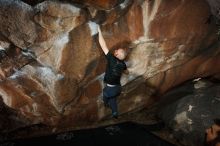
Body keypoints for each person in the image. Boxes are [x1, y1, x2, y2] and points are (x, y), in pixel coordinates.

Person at [97, 26, 128, 119]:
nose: (115, 50)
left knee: (106, 95)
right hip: (118, 88)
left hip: (110, 89)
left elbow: (103, 45)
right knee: (113, 98)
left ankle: (106, 104)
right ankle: (115, 112)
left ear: (117, 55)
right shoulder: (123, 64)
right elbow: (127, 72)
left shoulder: (111, 59)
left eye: (117, 51)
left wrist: (99, 31)